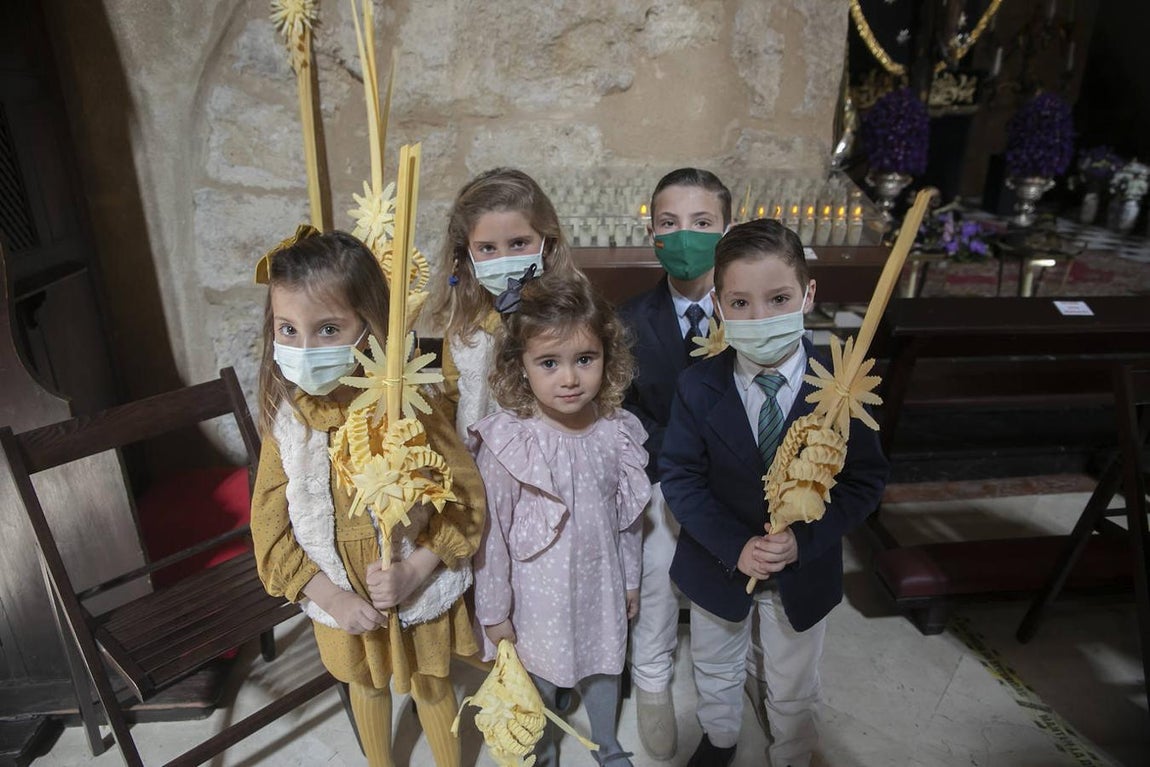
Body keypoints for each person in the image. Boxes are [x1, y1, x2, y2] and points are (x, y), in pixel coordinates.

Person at [250, 228, 486, 767]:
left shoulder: (411, 404)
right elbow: (270, 530)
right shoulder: (285, 425)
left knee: (431, 685)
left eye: (328, 328)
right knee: (368, 687)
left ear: (369, 327)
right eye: (288, 329)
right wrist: (331, 600)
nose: (305, 349)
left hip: (415, 589)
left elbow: (466, 500)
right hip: (340, 598)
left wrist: (416, 569)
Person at [660, 219, 889, 767]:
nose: (758, 318)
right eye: (739, 302)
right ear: (716, 303)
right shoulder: (697, 386)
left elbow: (864, 480)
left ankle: (793, 748)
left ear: (808, 294)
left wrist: (805, 541)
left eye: (778, 298)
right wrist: (732, 545)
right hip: (718, 564)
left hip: (802, 570)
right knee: (715, 663)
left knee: (793, 674)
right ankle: (719, 738)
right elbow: (681, 477)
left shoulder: (842, 387)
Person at [469, 270, 652, 766]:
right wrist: (494, 612)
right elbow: (492, 538)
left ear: (606, 359)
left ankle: (608, 742)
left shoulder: (616, 432)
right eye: (549, 363)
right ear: (520, 366)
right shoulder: (512, 441)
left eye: (584, 360)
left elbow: (629, 517)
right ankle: (543, 745)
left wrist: (631, 579)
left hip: (602, 581)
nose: (569, 378)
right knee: (540, 676)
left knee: (605, 662)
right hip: (537, 596)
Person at [617, 167, 731, 760]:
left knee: (723, 574)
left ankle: (726, 698)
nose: (685, 235)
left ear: (726, 229)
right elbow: (625, 414)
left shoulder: (746, 313)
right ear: (653, 233)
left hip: (735, 479)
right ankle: (652, 680)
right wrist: (677, 459)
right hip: (661, 472)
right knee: (658, 563)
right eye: (670, 223)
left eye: (702, 223)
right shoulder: (628, 320)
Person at [429, 167, 577, 440]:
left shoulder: (572, 318)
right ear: (466, 253)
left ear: (547, 243)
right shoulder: (463, 329)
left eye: (519, 243)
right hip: (479, 469)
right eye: (487, 248)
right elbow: (452, 399)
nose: (504, 258)